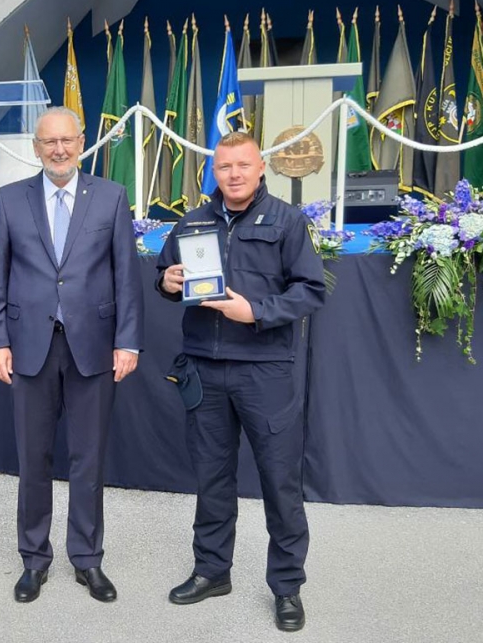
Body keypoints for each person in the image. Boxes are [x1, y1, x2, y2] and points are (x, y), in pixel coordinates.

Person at [155, 132, 326, 632]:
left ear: (260, 169)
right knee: (212, 478)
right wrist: (165, 281)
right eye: (224, 166)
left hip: (264, 370)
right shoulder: (193, 221)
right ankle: (212, 571)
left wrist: (257, 311)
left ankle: (288, 587)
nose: (233, 174)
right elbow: (166, 275)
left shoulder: (288, 222)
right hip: (205, 370)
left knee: (279, 482)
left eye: (243, 165)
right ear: (215, 170)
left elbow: (311, 290)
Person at [0, 107, 143, 603]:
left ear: (81, 142)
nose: (58, 149)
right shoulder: (10, 200)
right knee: (33, 459)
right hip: (28, 347)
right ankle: (34, 559)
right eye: (48, 142)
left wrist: (128, 340)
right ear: (36, 147)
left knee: (88, 458)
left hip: (93, 347)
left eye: (67, 140)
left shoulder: (111, 198)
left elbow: (126, 276)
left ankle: (87, 559)